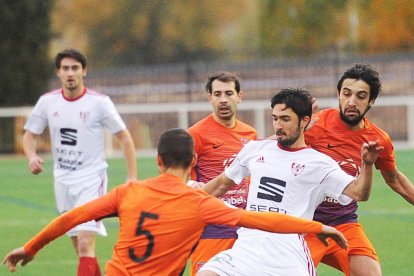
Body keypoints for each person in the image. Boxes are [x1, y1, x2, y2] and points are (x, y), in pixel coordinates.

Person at [3, 128, 349, 275]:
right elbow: (263, 221)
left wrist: (31, 247)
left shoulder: (129, 191)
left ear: (157, 159)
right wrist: (318, 226)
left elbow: (74, 217)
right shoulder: (200, 203)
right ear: (193, 160)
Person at [197, 88, 383, 276]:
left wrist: (367, 165)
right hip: (247, 250)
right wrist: (188, 202)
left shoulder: (319, 163)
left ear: (304, 121)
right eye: (275, 118)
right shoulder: (255, 149)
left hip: (288, 256)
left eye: (285, 119)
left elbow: (359, 193)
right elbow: (220, 184)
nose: (278, 125)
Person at [22, 49, 137, 276]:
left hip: (91, 179)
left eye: (75, 68)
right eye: (65, 68)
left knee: (85, 244)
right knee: (80, 249)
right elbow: (29, 135)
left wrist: (131, 176)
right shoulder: (47, 102)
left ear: (84, 71)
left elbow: (124, 137)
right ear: (58, 72)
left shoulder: (100, 103)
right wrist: (32, 156)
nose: (70, 73)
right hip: (62, 181)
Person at [304, 63, 414, 276]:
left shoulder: (378, 140)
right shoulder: (314, 125)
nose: (352, 102)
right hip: (303, 224)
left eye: (361, 96)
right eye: (346, 94)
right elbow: (273, 150)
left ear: (371, 100)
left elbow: (395, 179)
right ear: (338, 94)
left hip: (343, 224)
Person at [188, 71, 257, 274]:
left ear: (239, 96)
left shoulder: (249, 134)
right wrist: (192, 186)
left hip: (243, 228)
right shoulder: (196, 134)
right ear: (210, 98)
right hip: (211, 229)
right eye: (217, 94)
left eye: (228, 93)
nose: (223, 100)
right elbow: (180, 175)